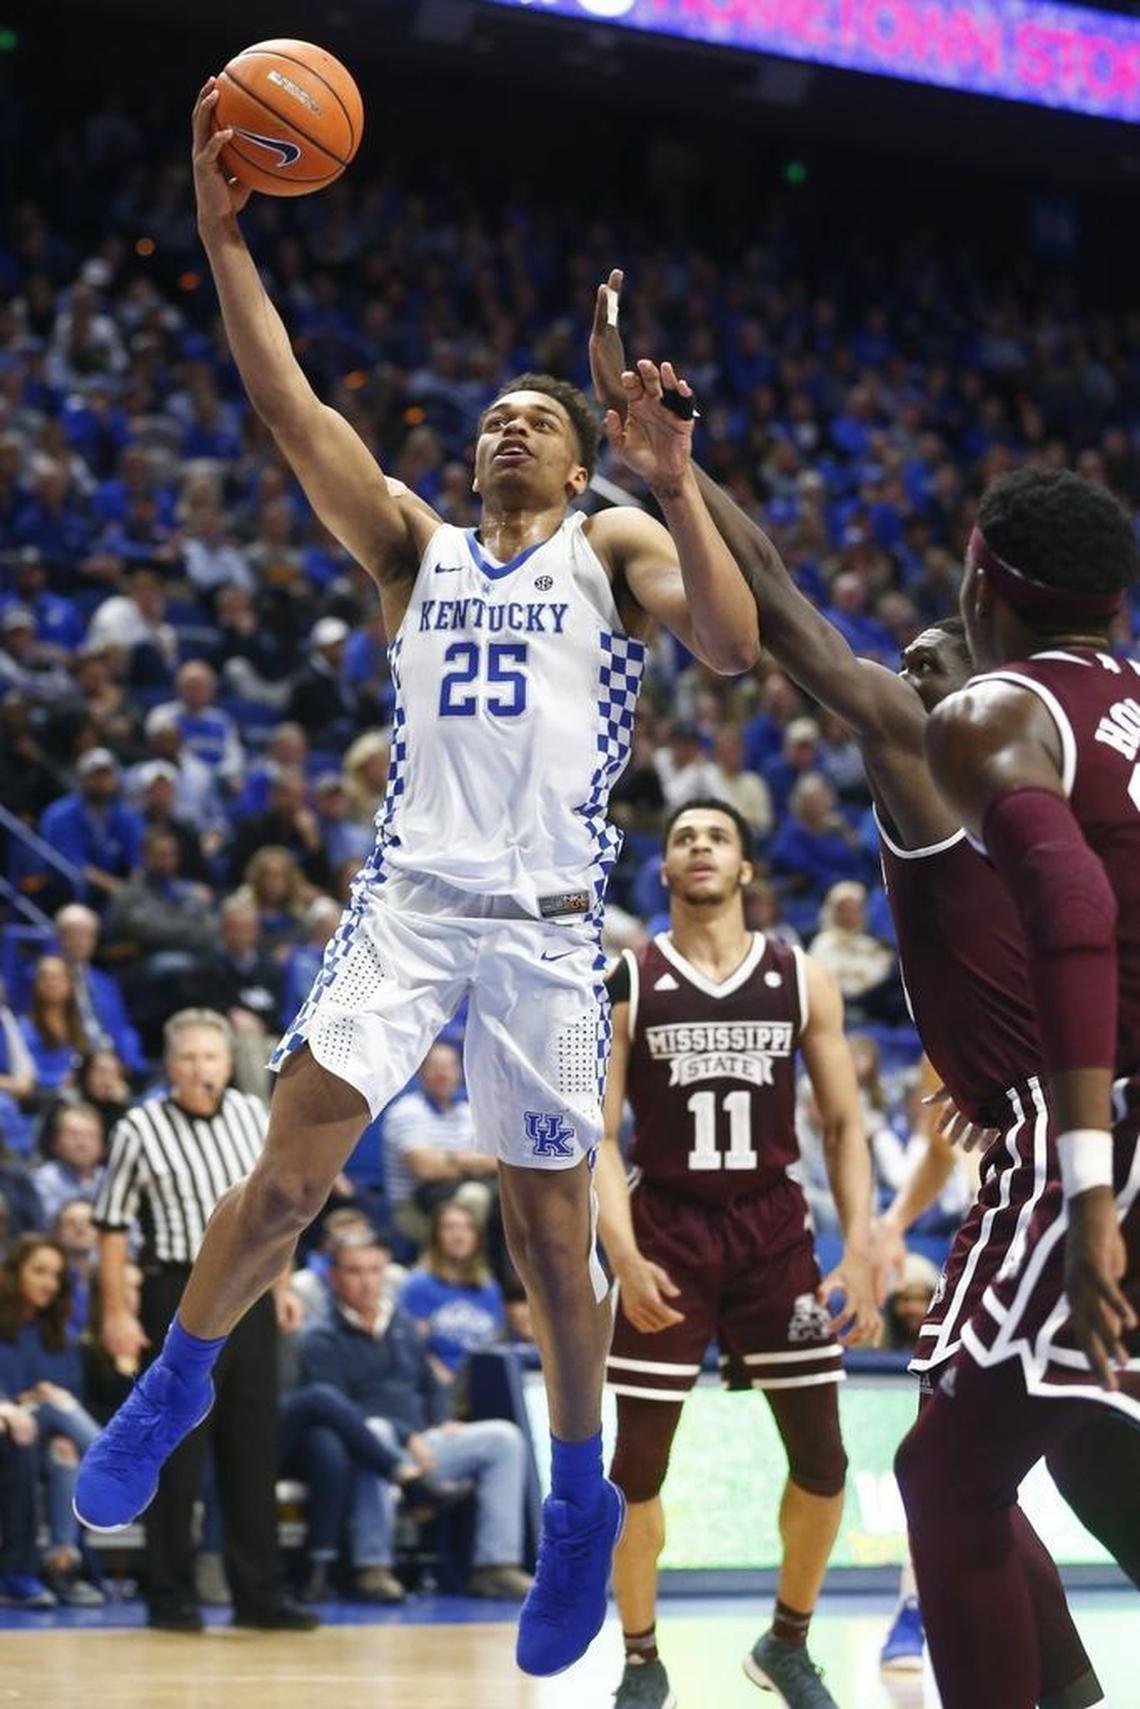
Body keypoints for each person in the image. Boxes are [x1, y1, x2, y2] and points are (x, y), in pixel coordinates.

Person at [77, 90, 758, 1681]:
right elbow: (287, 403)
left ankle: (578, 1496)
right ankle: (173, 1384)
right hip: (410, 906)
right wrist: (222, 231)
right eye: (493, 416)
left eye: (542, 416)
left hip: (550, 936)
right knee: (292, 1177)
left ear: (585, 462)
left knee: (542, 1244)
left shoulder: (615, 555)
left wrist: (670, 477)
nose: (509, 424)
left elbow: (729, 644)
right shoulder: (411, 549)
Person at [589, 282, 1139, 1688]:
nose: (913, 659)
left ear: (982, 603)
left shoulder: (943, 735)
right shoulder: (1102, 718)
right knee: (1051, 1438)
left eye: (936, 644)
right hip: (1059, 1110)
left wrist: (676, 472)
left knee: (948, 1476)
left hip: (1066, 1134)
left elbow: (777, 614)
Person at [896, 466, 1140, 1708]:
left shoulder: (989, 712)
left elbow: (1079, 909)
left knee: (947, 1478)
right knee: (1094, 1440)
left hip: (1105, 1120)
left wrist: (1092, 1184)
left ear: (980, 578)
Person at [596, 800, 879, 1709]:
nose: (700, 848)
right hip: (668, 1229)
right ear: (666, 870)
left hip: (772, 1232)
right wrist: (625, 1255)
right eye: (683, 839)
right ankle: (641, 1661)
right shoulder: (628, 978)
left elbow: (843, 1123)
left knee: (824, 1460)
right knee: (635, 1469)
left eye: (717, 836)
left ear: (746, 867)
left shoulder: (802, 975)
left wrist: (864, 1248)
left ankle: (785, 1643)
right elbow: (597, 1136)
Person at [89, 1008, 316, 1634]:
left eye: (210, 1057)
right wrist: (115, 1311)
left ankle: (260, 1594)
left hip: (251, 1296)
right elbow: (111, 1229)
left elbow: (281, 1205)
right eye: (188, 1058)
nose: (200, 1069)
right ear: (169, 1065)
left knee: (253, 1447)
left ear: (226, 1062)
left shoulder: (250, 1115)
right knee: (175, 1451)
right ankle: (169, 1593)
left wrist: (283, 1283)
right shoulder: (139, 1127)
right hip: (175, 1292)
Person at [299, 1234, 531, 1604]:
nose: (367, 1281)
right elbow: (341, 1414)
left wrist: (442, 1420)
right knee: (373, 1432)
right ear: (333, 1277)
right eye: (355, 1271)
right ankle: (371, 1567)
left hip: (425, 1444)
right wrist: (409, 1437)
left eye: (375, 1271)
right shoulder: (319, 1338)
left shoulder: (403, 1325)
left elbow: (429, 1383)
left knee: (503, 1437)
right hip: (375, 1449)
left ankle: (494, 1566)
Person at [0, 1235, 104, 1605]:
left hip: (40, 1436)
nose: (49, 1282)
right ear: (14, 1275)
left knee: (65, 1455)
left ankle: (60, 1565)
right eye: (39, 1271)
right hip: (10, 1426)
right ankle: (112, 1459)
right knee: (53, 1409)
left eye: (56, 1275)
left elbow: (69, 1388)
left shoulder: (61, 1335)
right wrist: (19, 1402)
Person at [384, 1041, 498, 1242]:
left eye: (449, 1067)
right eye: (436, 1067)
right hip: (414, 1205)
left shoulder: (466, 1111)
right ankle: (469, 1268)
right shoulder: (407, 1110)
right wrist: (472, 1162)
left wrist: (450, 1160)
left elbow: (497, 1162)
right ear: (421, 1072)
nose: (443, 1074)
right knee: (475, 1196)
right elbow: (425, 1170)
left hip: (459, 1190)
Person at [400, 1201, 508, 1380]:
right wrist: (439, 1376)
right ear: (436, 1236)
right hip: (437, 1382)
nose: (459, 1236)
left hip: (483, 1381)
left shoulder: (489, 1288)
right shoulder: (420, 1284)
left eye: (468, 1228)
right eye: (450, 1228)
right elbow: (412, 1346)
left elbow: (497, 1344)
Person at [33, 1102, 106, 1227]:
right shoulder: (44, 1180)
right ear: (55, 1142)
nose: (83, 1143)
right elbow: (46, 1226)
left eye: (91, 1136)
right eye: (74, 1135)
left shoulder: (111, 1178)